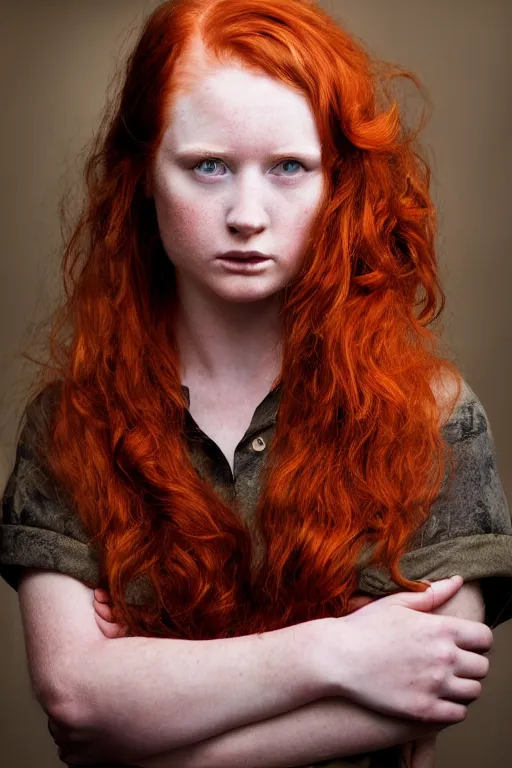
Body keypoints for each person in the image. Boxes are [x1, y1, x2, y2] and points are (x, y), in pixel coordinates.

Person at [1, 1, 511, 767]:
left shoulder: (432, 416)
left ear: (338, 183)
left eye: (289, 167)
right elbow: (77, 696)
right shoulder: (70, 421)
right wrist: (337, 654)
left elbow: (433, 686)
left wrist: (150, 726)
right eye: (208, 166)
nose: (247, 215)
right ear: (143, 176)